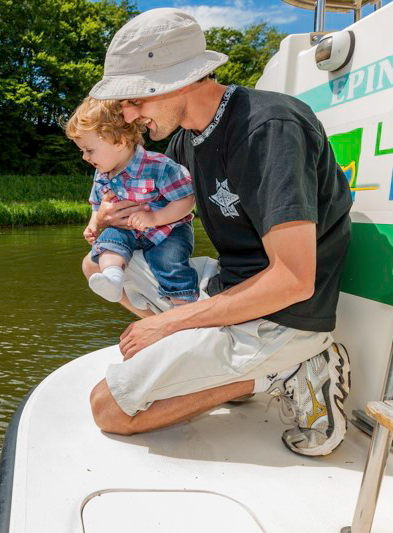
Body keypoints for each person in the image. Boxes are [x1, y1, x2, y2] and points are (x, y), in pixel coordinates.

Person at [86, 8, 353, 456]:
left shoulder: (267, 128)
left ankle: (287, 367)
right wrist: (111, 224)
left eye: (136, 99)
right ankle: (223, 367)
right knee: (97, 263)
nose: (129, 116)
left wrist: (170, 323)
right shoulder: (183, 143)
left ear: (179, 81)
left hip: (285, 315)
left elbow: (294, 278)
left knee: (110, 410)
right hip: (232, 287)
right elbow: (158, 229)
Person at [64, 97, 199, 308]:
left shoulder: (159, 166)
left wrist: (155, 218)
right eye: (82, 151)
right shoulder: (103, 174)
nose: (84, 157)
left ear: (119, 142)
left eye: (89, 150)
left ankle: (185, 305)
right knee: (108, 244)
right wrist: (94, 224)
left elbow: (186, 200)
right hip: (128, 230)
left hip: (167, 230)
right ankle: (112, 278)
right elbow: (97, 203)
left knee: (168, 261)